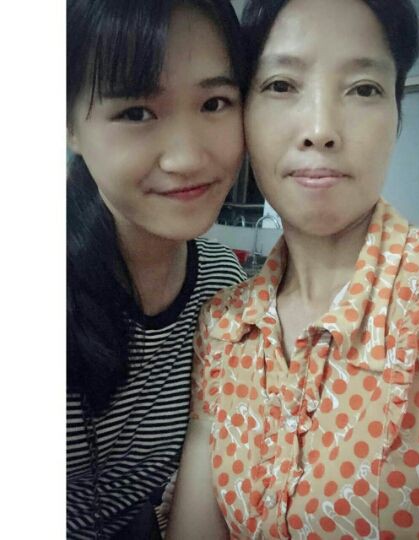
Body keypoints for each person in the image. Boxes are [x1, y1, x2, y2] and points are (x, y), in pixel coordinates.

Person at [167, 0, 419, 538]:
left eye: (364, 89)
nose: (320, 129)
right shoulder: (225, 326)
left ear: (397, 115)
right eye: (282, 85)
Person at [66, 0, 248, 537]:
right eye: (136, 113)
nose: (187, 158)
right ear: (70, 126)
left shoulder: (223, 285)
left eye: (215, 103)